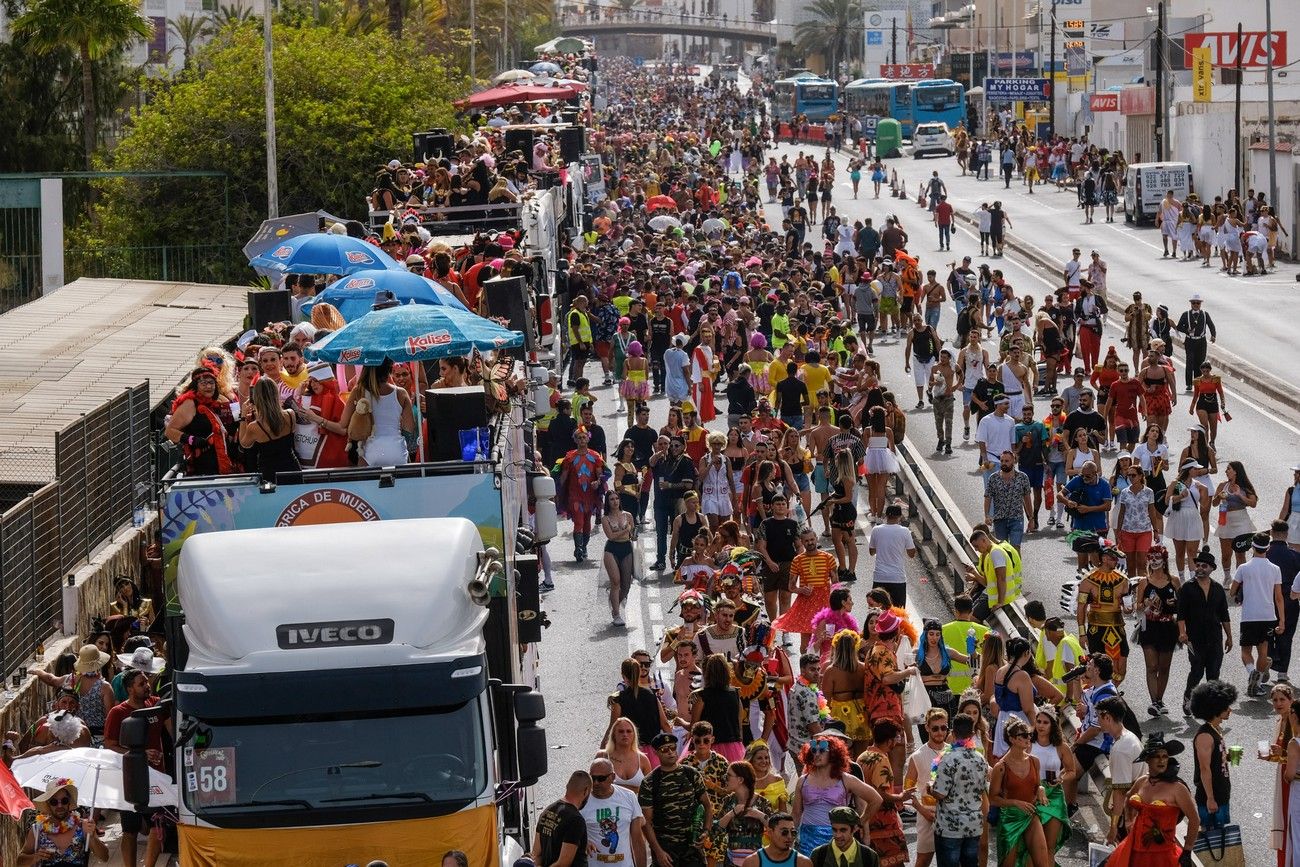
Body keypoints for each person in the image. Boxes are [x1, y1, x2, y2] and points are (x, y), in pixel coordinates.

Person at [1104, 734, 1199, 867]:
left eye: (1165, 756)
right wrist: (1128, 822)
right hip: (1133, 848)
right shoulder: (1142, 781)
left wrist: (1187, 850)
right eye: (1157, 756)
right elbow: (1128, 798)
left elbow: (1194, 819)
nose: (1162, 761)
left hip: (1161, 856)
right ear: (1147, 759)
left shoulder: (1178, 788)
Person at [790, 735, 881, 855]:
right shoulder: (803, 780)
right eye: (813, 751)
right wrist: (789, 839)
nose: (817, 754)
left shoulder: (846, 779)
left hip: (838, 837)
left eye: (822, 751)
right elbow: (796, 814)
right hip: (808, 838)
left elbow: (876, 800)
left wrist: (860, 823)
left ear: (833, 754)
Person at [641, 732, 713, 867]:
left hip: (692, 847)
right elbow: (646, 823)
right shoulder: (650, 782)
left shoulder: (691, 774)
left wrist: (705, 831)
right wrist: (658, 852)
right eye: (664, 749)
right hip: (666, 849)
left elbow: (707, 806)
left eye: (673, 747)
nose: (670, 752)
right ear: (656, 753)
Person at [1178, 547, 1234, 714]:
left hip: (1215, 638)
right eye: (1198, 565)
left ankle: (1212, 707)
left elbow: (1224, 614)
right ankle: (1189, 697)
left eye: (1204, 566)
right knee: (1196, 671)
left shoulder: (1217, 589)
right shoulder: (1187, 588)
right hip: (1194, 638)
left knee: (1213, 673)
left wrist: (1229, 637)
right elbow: (1180, 613)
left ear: (1211, 569)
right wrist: (1182, 632)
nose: (1200, 568)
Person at [989, 717, 1050, 867]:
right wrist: (1015, 803)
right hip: (1009, 818)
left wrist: (1041, 789)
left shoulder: (1034, 761)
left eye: (1029, 734)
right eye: (1023, 735)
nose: (1028, 738)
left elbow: (1037, 786)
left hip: (1030, 815)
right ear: (1012, 739)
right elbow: (993, 799)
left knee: (1043, 862)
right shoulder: (1001, 767)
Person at [931, 712, 990, 867]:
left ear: (952, 732)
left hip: (950, 827)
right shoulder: (981, 759)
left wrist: (929, 787)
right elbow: (983, 789)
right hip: (973, 825)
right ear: (971, 734)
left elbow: (939, 793)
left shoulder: (948, 758)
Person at [1233, 532, 1286, 697]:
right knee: (1263, 652)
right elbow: (1278, 597)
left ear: (1252, 547)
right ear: (1268, 548)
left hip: (1250, 615)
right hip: (1268, 615)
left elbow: (1233, 590)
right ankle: (1259, 678)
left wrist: (1240, 593)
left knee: (1246, 650)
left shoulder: (1243, 568)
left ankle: (1251, 674)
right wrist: (1282, 621)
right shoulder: (1275, 569)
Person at [339, 359, 414, 468]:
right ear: (389, 370)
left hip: (369, 453)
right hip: (397, 452)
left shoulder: (359, 391)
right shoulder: (401, 393)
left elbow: (343, 423)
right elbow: (410, 428)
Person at [17, 778, 109, 866]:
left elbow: (105, 857)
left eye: (64, 801)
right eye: (54, 802)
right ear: (48, 804)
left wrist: (93, 837)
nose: (60, 805)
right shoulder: (37, 830)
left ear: (69, 802)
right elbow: (19, 862)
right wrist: (35, 857)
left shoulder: (82, 826)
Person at [164, 366, 238, 475]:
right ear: (195, 386)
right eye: (203, 383)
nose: (208, 386)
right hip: (201, 468)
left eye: (211, 383)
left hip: (218, 464)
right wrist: (192, 440)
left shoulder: (211, 403)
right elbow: (170, 431)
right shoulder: (189, 403)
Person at [1134, 546, 1181, 717]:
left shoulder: (1174, 581)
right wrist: (1146, 603)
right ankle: (1154, 702)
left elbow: (1182, 606)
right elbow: (1137, 606)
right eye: (1150, 557)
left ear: (1164, 560)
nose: (1153, 561)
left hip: (1168, 627)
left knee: (1164, 666)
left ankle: (1159, 700)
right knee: (1152, 666)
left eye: (1157, 557)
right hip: (1149, 627)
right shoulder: (1144, 582)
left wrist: (1172, 604)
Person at [856, 719, 909, 867]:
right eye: (897, 738)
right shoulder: (881, 760)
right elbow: (881, 794)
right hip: (884, 822)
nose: (897, 742)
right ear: (890, 740)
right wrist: (900, 797)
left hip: (868, 820)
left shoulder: (863, 756)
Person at [583, 758, 648, 867]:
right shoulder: (582, 800)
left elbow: (637, 839)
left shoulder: (628, 797)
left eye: (601, 778)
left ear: (613, 777)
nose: (596, 783)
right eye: (592, 778)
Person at [1191, 680, 1238, 829]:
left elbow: (1214, 760)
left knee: (1221, 841)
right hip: (1211, 797)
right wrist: (1210, 799)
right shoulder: (1205, 736)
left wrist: (1227, 757)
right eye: (1226, 707)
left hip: (1221, 793)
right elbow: (1204, 769)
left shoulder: (1215, 730)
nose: (1229, 710)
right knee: (1213, 842)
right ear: (1215, 709)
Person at [1029, 705, 1075, 858]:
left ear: (1053, 725)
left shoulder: (1061, 747)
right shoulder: (1028, 743)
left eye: (1045, 722)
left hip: (1054, 796)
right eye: (1038, 721)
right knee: (1032, 846)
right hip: (1032, 794)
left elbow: (1071, 771)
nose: (1041, 725)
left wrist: (1061, 778)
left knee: (1050, 846)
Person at [534, 771, 593, 867]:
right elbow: (563, 864)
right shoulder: (576, 820)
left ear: (567, 787)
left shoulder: (547, 811)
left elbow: (536, 854)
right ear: (586, 791)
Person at [717, 761, 772, 866]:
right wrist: (731, 813)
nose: (724, 779)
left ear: (740, 780)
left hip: (756, 861)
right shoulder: (727, 801)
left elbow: (776, 830)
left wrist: (760, 815)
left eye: (728, 776)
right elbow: (715, 831)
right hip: (731, 860)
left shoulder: (762, 803)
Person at [603, 489, 638, 626]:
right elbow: (610, 536)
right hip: (611, 549)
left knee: (626, 584)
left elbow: (633, 534)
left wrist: (634, 534)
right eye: (611, 499)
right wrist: (626, 530)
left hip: (626, 548)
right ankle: (616, 614)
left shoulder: (628, 515)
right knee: (615, 582)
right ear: (608, 502)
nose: (615, 501)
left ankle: (614, 599)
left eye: (616, 498)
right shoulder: (605, 518)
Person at [598, 717, 654, 793]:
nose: (625, 734)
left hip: (636, 804)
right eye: (621, 731)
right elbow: (593, 785)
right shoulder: (603, 756)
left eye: (629, 731)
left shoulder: (643, 759)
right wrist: (634, 789)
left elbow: (651, 789)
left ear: (634, 734)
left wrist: (615, 787)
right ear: (614, 735)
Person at [740, 813, 812, 867]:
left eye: (793, 832)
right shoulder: (753, 862)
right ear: (770, 832)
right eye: (784, 832)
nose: (789, 837)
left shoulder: (803, 863)